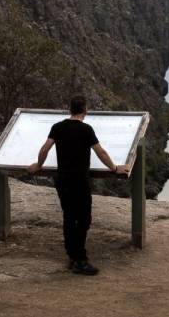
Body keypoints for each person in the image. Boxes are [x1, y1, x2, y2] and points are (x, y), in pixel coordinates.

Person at [28, 95, 129, 275]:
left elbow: (45, 148)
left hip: (63, 180)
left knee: (68, 217)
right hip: (79, 181)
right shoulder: (86, 130)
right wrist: (115, 168)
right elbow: (101, 153)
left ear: (70, 110)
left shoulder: (57, 127)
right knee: (83, 219)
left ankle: (72, 256)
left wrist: (38, 165)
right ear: (85, 111)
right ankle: (80, 261)